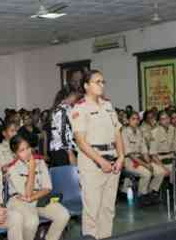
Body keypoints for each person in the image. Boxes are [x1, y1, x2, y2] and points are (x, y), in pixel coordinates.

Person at [69, 70, 124, 239]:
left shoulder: (108, 105)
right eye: (97, 82)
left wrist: (121, 156)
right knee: (92, 209)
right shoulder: (80, 108)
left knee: (108, 208)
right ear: (86, 86)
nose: (101, 85)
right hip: (92, 162)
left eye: (103, 82)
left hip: (113, 159)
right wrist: (100, 161)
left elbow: (117, 133)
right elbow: (81, 141)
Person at [6, 136, 70, 240]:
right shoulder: (12, 168)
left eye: (27, 148)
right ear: (15, 154)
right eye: (22, 150)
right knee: (32, 221)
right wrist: (31, 169)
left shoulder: (40, 162)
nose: (27, 152)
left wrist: (33, 198)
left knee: (63, 215)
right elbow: (26, 194)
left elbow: (47, 188)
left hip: (39, 198)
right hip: (19, 201)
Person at [122, 112, 166, 206]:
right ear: (128, 120)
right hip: (130, 161)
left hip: (141, 158)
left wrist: (149, 163)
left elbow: (144, 151)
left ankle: (150, 193)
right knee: (146, 173)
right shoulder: (124, 132)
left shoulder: (139, 132)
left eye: (137, 119)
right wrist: (146, 165)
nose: (136, 121)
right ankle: (141, 195)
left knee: (160, 171)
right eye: (133, 119)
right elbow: (130, 155)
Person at [47, 87, 79, 167]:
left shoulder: (66, 108)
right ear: (69, 96)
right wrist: (70, 152)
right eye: (75, 95)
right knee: (67, 177)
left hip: (61, 149)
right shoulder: (62, 110)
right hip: (62, 150)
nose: (76, 98)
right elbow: (63, 133)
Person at [149, 111, 176, 176]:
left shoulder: (173, 130)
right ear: (159, 122)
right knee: (163, 172)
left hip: (172, 160)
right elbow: (153, 155)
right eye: (163, 119)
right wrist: (163, 167)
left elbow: (175, 148)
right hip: (160, 161)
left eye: (167, 118)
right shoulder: (154, 133)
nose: (166, 121)